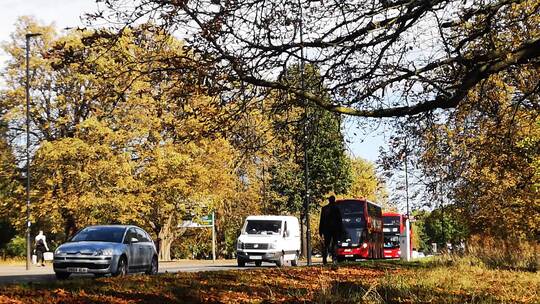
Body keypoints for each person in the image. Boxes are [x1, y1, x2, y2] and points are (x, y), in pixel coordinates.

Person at [319, 195, 343, 265]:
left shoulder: (324, 208)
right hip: (335, 229)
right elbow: (339, 220)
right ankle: (334, 259)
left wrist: (320, 231)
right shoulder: (337, 208)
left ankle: (324, 259)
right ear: (334, 200)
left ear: (329, 200)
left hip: (326, 229)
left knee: (326, 244)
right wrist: (340, 230)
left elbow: (322, 221)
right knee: (335, 244)